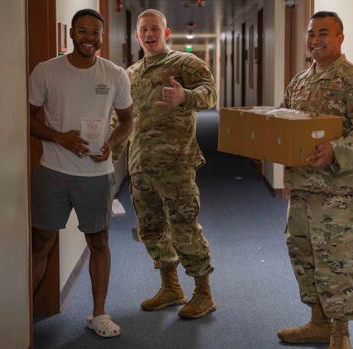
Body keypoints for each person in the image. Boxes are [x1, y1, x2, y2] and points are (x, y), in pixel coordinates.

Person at [276, 11, 353, 349]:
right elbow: (283, 122)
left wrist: (335, 151)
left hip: (338, 191)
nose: (315, 40)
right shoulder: (299, 81)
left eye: (323, 33)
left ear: (340, 37)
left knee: (335, 260)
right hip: (303, 187)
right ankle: (318, 321)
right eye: (311, 33)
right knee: (302, 253)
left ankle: (340, 333)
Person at [28, 9, 133, 338]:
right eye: (83, 31)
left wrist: (111, 143)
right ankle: (23, 313)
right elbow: (27, 117)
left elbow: (128, 120)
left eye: (95, 33)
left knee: (98, 241)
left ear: (102, 37)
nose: (89, 38)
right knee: (41, 242)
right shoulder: (46, 71)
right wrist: (59, 136)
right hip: (53, 171)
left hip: (97, 174)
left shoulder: (115, 74)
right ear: (71, 34)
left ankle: (99, 313)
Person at [127, 9, 217, 319]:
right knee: (151, 230)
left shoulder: (185, 64)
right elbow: (123, 119)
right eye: (144, 30)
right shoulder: (131, 73)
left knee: (184, 228)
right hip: (140, 165)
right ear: (137, 35)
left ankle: (203, 293)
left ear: (167, 34)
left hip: (176, 165)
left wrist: (186, 97)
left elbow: (211, 94)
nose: (149, 34)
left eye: (155, 29)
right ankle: (170, 287)